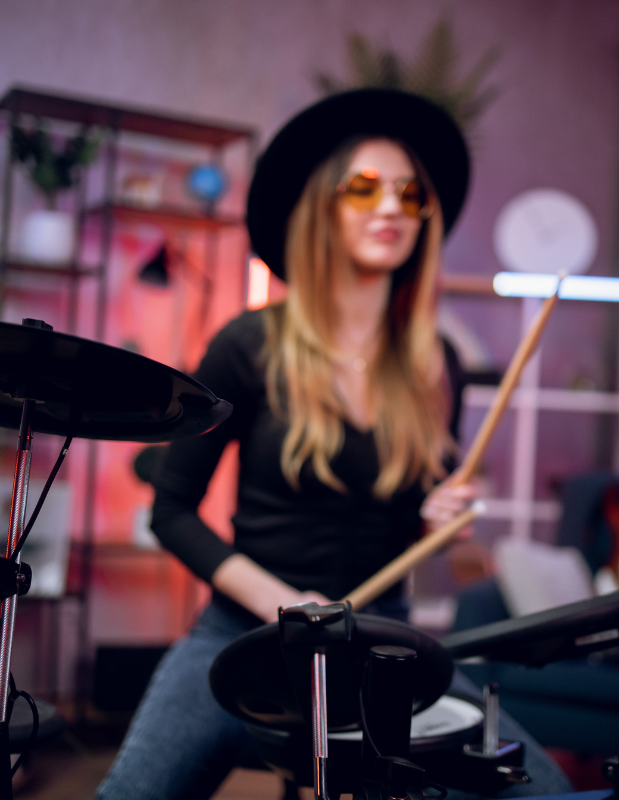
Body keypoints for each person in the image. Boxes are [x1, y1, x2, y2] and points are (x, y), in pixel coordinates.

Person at [96, 89, 571, 800]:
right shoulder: (248, 345)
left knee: (543, 792)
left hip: (384, 644)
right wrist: (286, 607)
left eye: (409, 194)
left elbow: (407, 529)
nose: (391, 208)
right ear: (324, 207)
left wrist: (437, 522)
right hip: (242, 637)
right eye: (364, 188)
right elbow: (172, 513)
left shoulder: (436, 362)